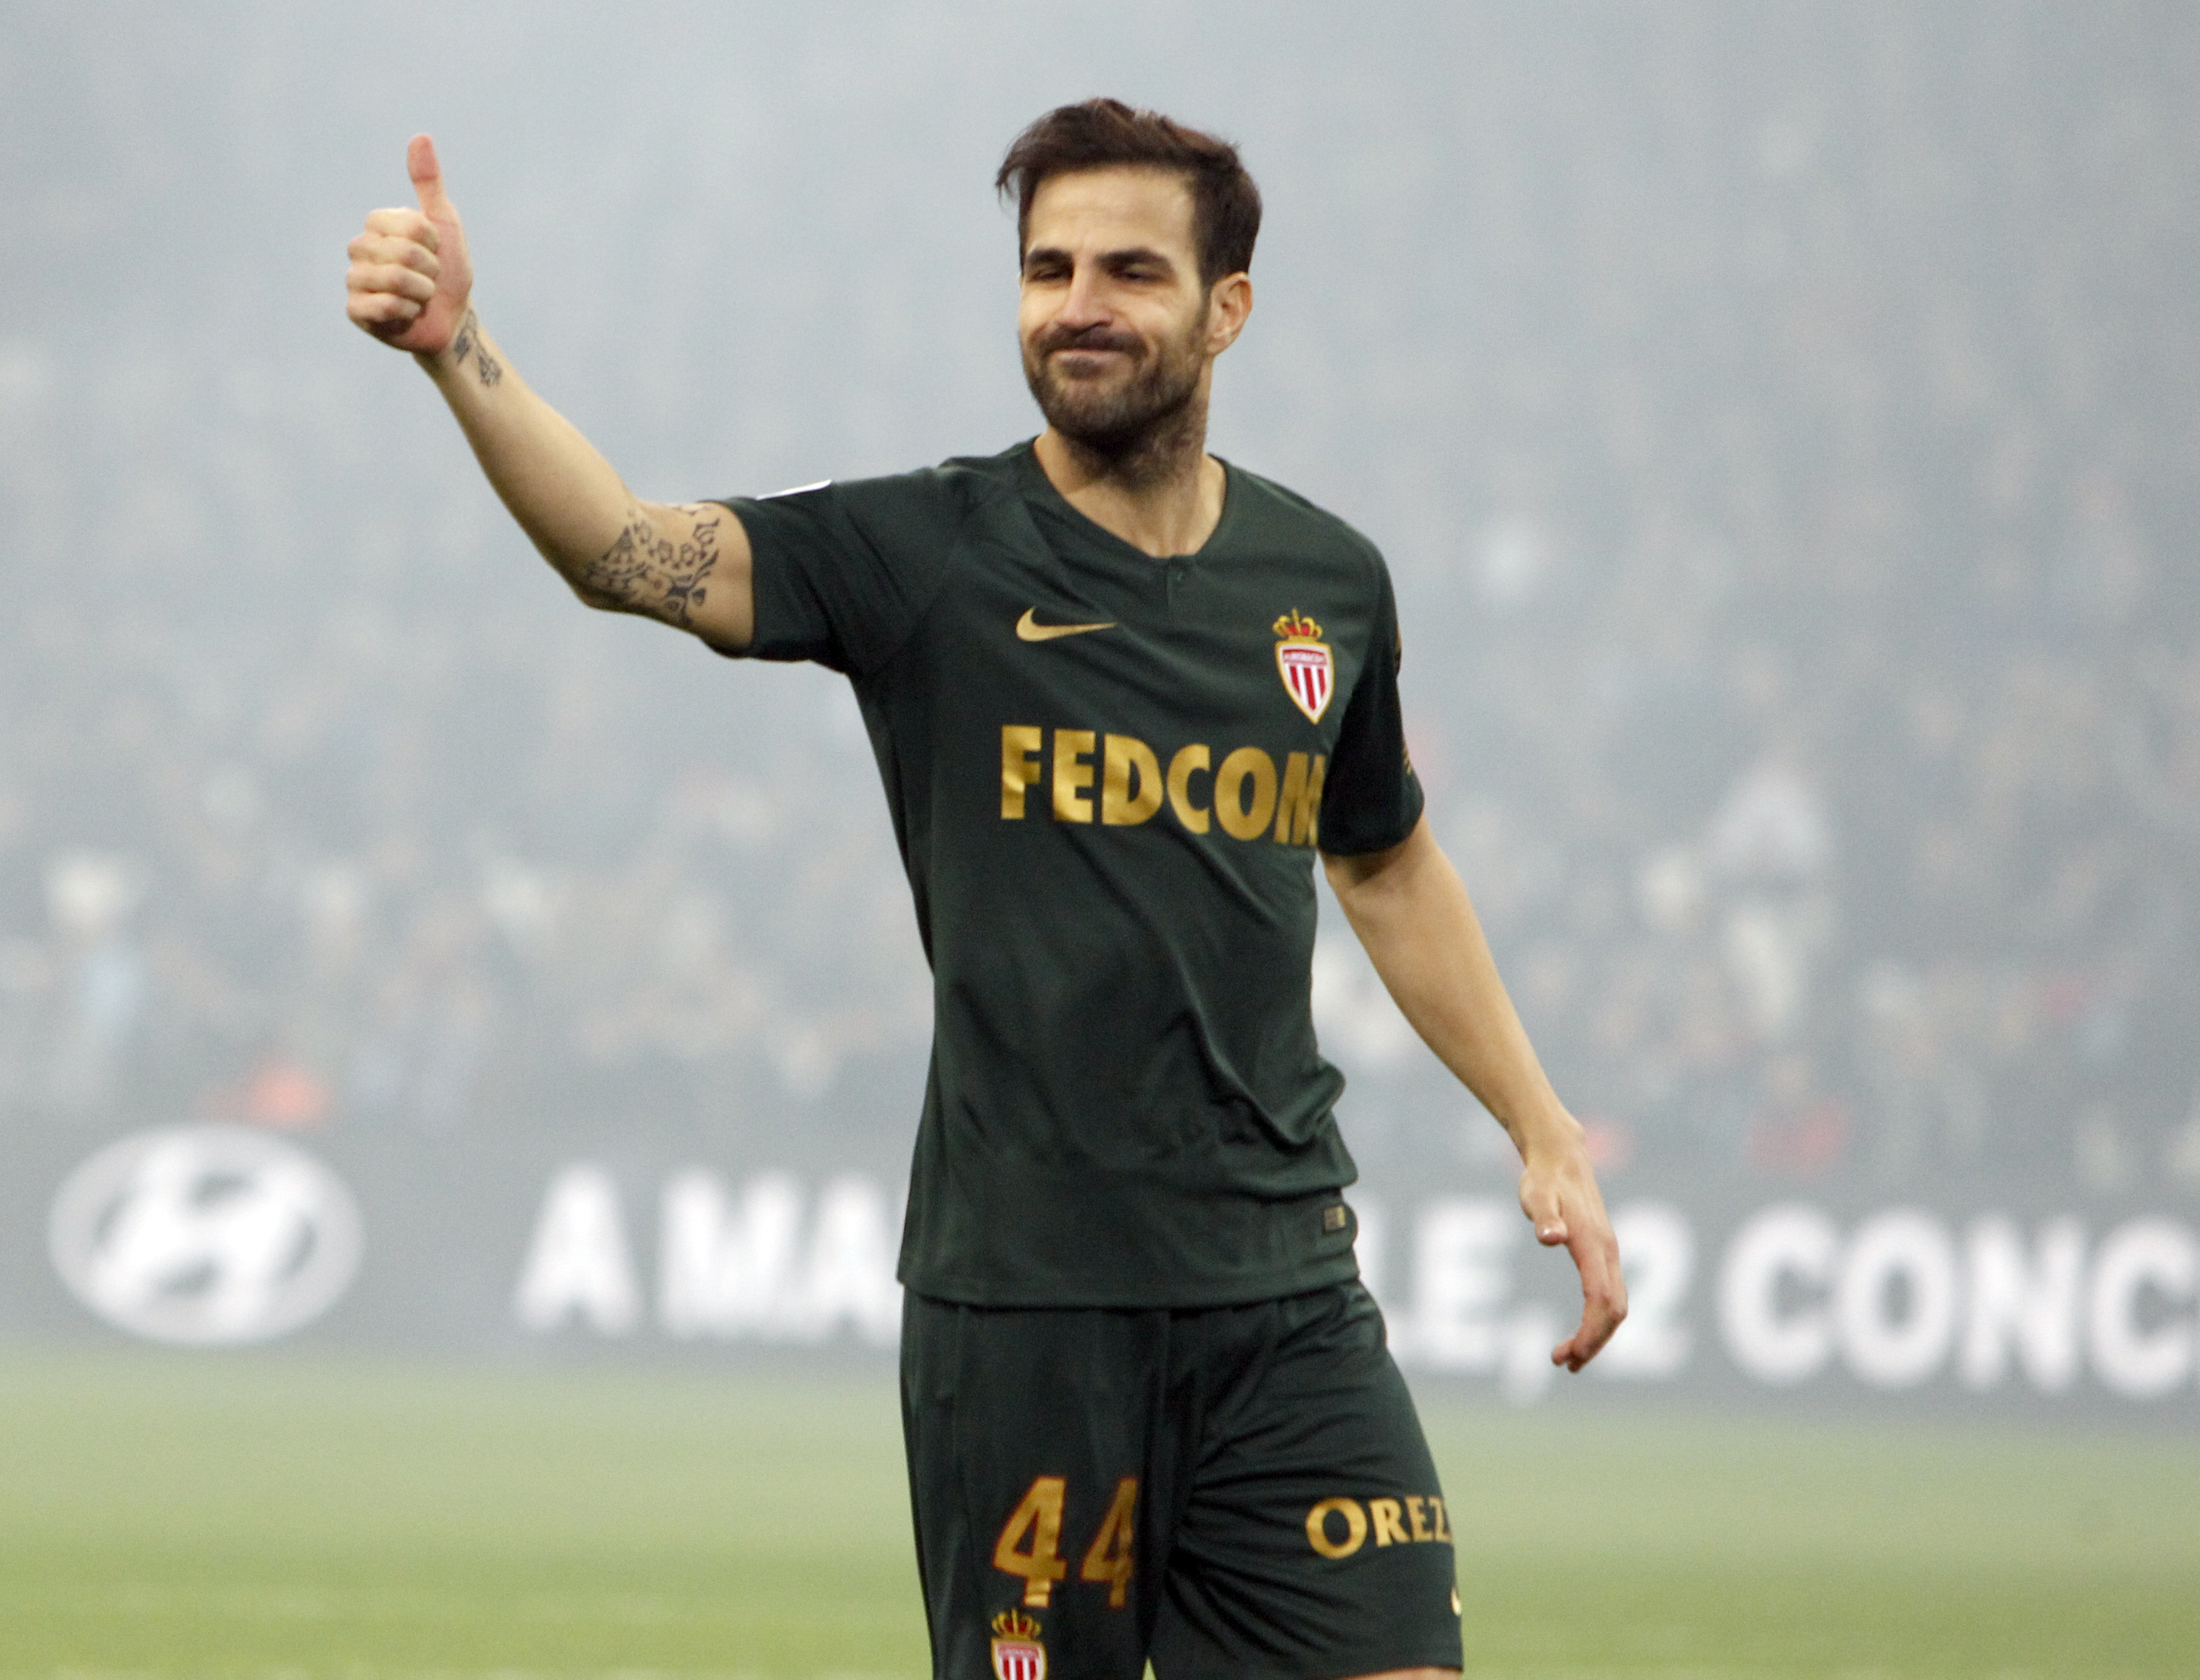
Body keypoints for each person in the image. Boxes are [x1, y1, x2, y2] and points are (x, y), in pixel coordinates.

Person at [346, 98, 1624, 1680]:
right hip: (1029, 1306)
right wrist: (459, 351)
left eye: (1128, 271)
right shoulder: (930, 552)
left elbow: (1380, 854)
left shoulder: (1325, 585)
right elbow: (622, 551)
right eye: (1046, 267)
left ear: (1226, 308)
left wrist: (1539, 1124)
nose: (1077, 302)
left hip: (1282, 1290)